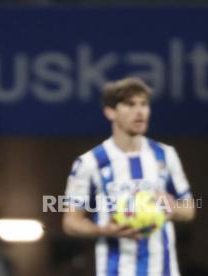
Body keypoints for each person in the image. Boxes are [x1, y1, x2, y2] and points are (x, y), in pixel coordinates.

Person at [62, 77, 196, 276]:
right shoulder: (90, 162)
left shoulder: (165, 155)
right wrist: (104, 231)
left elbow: (190, 210)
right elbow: (70, 222)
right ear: (110, 112)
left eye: (144, 104)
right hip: (115, 270)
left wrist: (172, 209)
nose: (140, 111)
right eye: (130, 104)